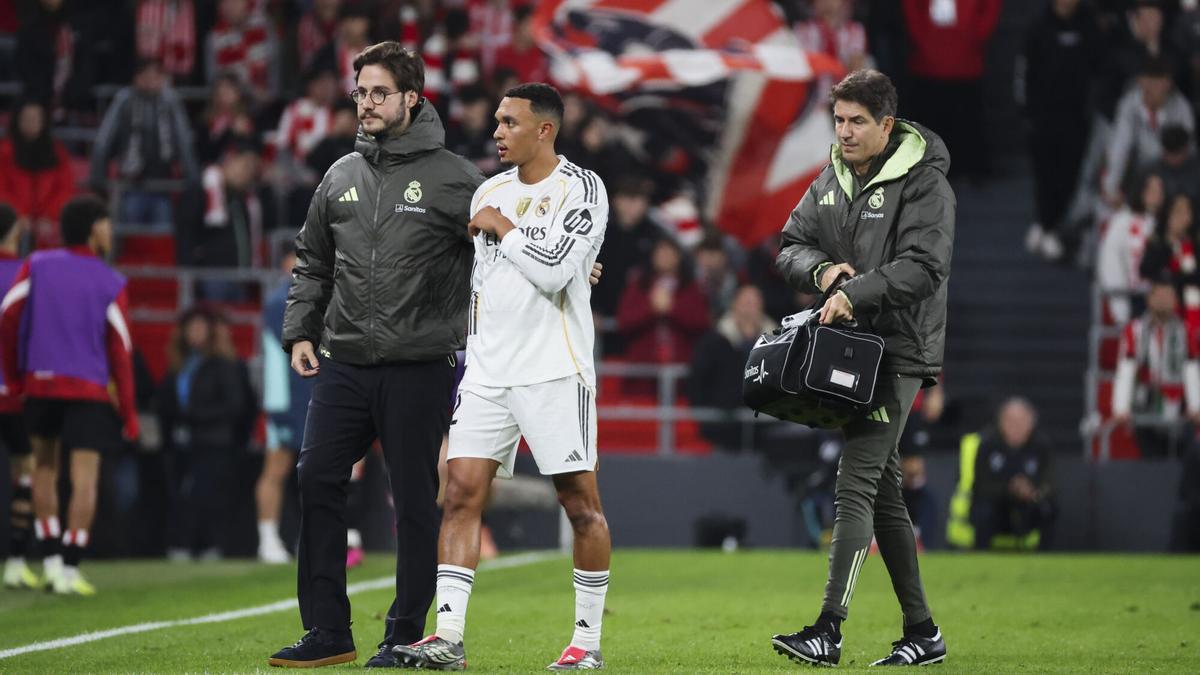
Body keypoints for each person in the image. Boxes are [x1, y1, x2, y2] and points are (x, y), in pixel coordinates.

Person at [269, 42, 484, 669]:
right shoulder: (339, 175)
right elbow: (313, 261)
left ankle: (405, 634)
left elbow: (503, 249)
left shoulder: (456, 179)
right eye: (360, 92)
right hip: (343, 359)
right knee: (316, 477)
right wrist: (300, 332)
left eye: (379, 92)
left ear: (411, 98)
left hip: (420, 362)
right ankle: (327, 631)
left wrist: (575, 267)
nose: (366, 103)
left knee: (413, 500)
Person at [395, 83, 613, 672]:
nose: (497, 131)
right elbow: (488, 281)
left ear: (545, 129)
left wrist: (506, 229)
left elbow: (555, 270)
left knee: (579, 503)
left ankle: (586, 642)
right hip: (488, 370)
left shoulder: (582, 188)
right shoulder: (489, 191)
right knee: (460, 492)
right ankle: (448, 638)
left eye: (510, 122)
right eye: (496, 121)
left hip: (554, 369)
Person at [771, 69, 955, 667]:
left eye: (856, 122)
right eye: (839, 121)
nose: (845, 132)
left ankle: (829, 628)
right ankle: (923, 632)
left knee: (854, 480)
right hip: (851, 351)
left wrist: (857, 292)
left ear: (886, 124)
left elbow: (925, 265)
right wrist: (823, 272)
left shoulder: (925, 182)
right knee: (884, 496)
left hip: (899, 350)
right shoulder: (831, 178)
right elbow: (790, 245)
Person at [0, 196, 139, 595]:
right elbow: (120, 351)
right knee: (84, 478)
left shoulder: (38, 264)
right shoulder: (111, 281)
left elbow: (8, 316)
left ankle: (50, 561)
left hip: (41, 385)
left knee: (43, 469)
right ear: (95, 228)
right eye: (107, 223)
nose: (111, 232)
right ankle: (70, 566)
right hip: (89, 391)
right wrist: (129, 413)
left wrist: (16, 375)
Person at [157, 307, 250, 560]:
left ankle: (211, 545)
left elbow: (235, 405)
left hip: (214, 442)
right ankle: (183, 544)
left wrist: (195, 416)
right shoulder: (180, 364)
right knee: (183, 495)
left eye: (200, 328)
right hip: (184, 443)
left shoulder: (223, 364)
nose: (195, 333)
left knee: (208, 495)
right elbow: (167, 402)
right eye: (191, 328)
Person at [256, 247, 314, 564]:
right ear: (284, 263)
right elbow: (276, 358)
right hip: (286, 399)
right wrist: (277, 407)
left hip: (310, 395)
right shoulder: (280, 301)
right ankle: (267, 539)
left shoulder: (313, 296)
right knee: (276, 468)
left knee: (315, 471)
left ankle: (309, 537)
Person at [0, 205, 36, 590]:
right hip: (14, 390)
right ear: (15, 231)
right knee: (26, 469)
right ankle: (16, 560)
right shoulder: (26, 273)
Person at [970, 398, 1055, 549]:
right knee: (983, 511)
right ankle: (981, 555)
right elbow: (981, 485)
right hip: (997, 505)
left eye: (1021, 421)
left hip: (1028, 503)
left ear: (1031, 423)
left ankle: (1046, 555)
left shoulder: (1041, 446)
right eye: (1010, 421)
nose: (1016, 426)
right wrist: (1010, 489)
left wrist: (1032, 492)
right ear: (1000, 422)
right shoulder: (988, 444)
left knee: (1048, 509)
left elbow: (1049, 481)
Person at [0, 99, 78, 250]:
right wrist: (18, 216)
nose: (31, 122)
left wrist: (49, 216)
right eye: (27, 118)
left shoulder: (57, 153)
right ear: (18, 120)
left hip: (48, 224)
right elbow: (2, 190)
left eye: (35, 118)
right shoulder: (4, 153)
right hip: (10, 221)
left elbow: (65, 189)